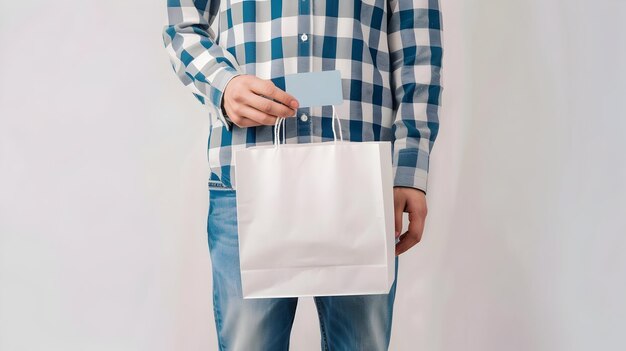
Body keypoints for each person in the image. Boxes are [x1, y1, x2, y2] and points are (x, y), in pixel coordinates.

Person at [162, 0, 443, 349]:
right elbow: (183, 26)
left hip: (361, 185)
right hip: (244, 178)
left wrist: (409, 168)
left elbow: (419, 46)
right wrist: (224, 85)